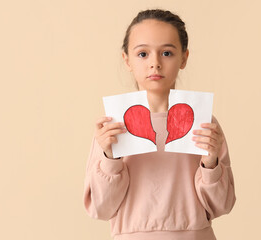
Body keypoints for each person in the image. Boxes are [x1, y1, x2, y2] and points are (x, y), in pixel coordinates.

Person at [83, 9, 236, 240]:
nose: (155, 63)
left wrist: (210, 163)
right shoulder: (112, 127)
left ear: (184, 58)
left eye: (166, 52)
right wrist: (109, 158)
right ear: (127, 60)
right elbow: (101, 208)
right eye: (143, 54)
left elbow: (221, 205)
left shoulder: (203, 122)